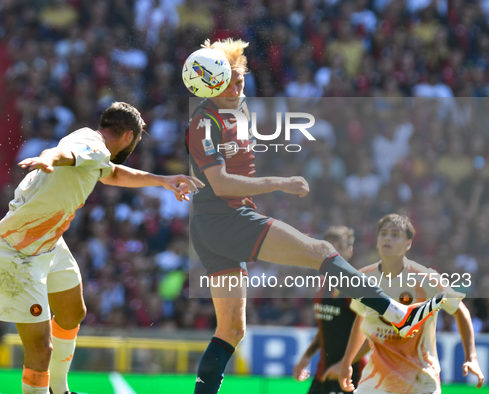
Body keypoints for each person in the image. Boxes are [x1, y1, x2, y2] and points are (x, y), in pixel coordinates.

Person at [186, 38, 447, 394]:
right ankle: (393, 311)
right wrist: (281, 182)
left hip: (214, 228)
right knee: (323, 252)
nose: (236, 87)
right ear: (210, 84)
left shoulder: (237, 109)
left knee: (231, 328)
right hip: (226, 220)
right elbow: (219, 184)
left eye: (240, 80)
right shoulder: (203, 123)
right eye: (228, 82)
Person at [0, 102, 202, 394]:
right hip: (18, 254)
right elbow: (68, 154)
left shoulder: (93, 146)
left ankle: (59, 390)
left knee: (72, 313)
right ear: (129, 136)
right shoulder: (90, 146)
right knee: (41, 348)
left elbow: (112, 173)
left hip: (50, 245)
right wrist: (48, 156)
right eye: (137, 140)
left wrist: (162, 180)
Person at [338, 214, 484, 394]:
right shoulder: (364, 278)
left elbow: (460, 311)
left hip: (420, 380)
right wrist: (347, 362)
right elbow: (361, 320)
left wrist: (471, 356)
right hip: (375, 381)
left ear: (408, 243)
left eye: (395, 234)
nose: (387, 238)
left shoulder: (426, 278)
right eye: (383, 233)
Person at [293, 226, 368, 394]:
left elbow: (371, 335)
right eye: (330, 248)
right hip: (324, 373)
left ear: (350, 251)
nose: (335, 254)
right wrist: (306, 356)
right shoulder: (321, 286)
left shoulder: (355, 287)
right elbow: (325, 327)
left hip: (350, 376)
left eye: (340, 248)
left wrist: (344, 364)